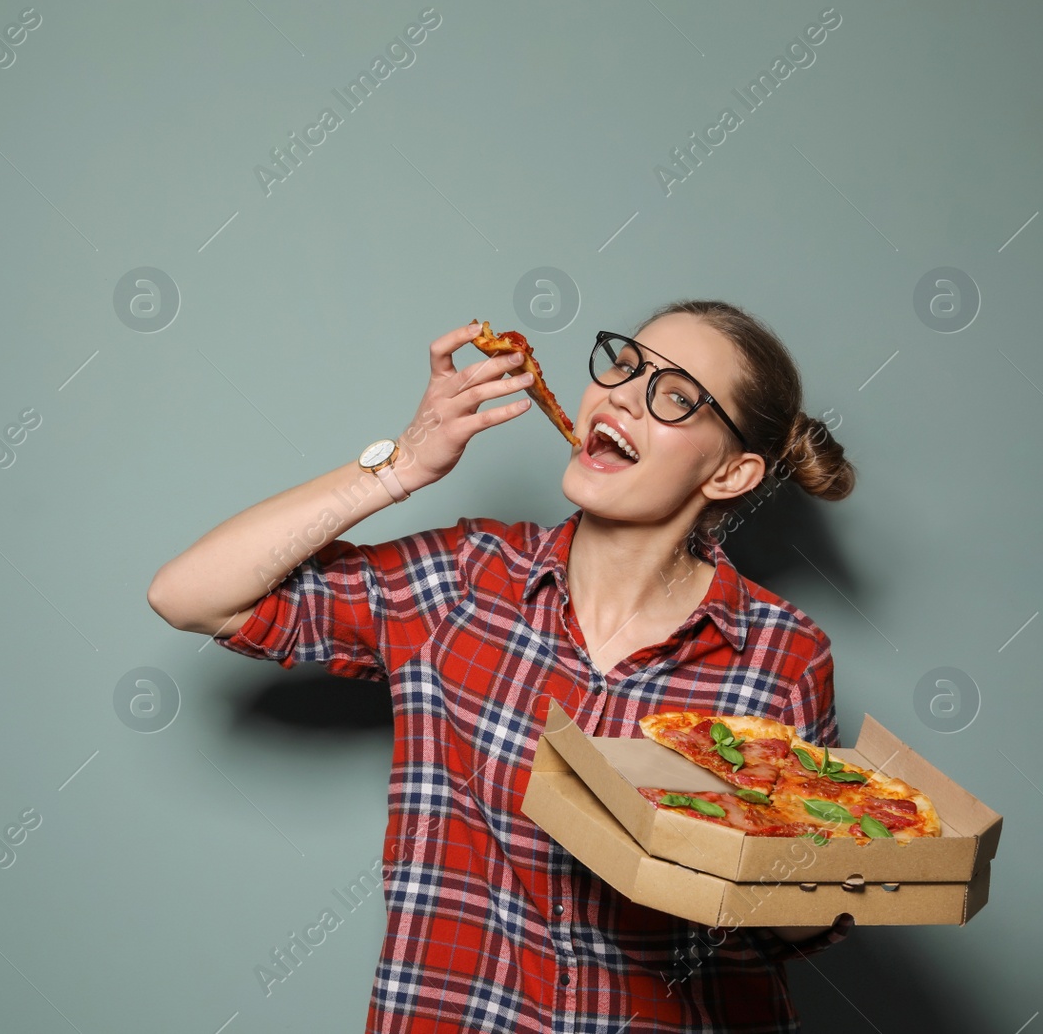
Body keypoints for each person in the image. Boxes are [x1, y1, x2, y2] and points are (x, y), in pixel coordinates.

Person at [148, 300, 859, 1033]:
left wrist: (793, 881)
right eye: (626, 365)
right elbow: (188, 594)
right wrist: (400, 464)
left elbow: (783, 929)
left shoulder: (783, 656)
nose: (620, 393)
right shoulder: (462, 581)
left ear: (733, 471)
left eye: (675, 396)